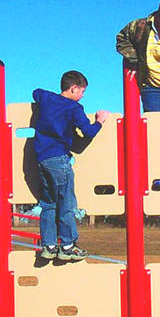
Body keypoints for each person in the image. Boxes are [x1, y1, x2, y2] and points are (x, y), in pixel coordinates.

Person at [33, 71, 110, 261]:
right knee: (66, 203)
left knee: (49, 204)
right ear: (73, 88)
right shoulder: (74, 108)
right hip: (60, 159)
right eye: (82, 91)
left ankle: (49, 246)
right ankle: (67, 246)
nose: (82, 96)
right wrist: (99, 120)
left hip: (42, 159)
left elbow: (36, 92)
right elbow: (88, 132)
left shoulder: (47, 98)